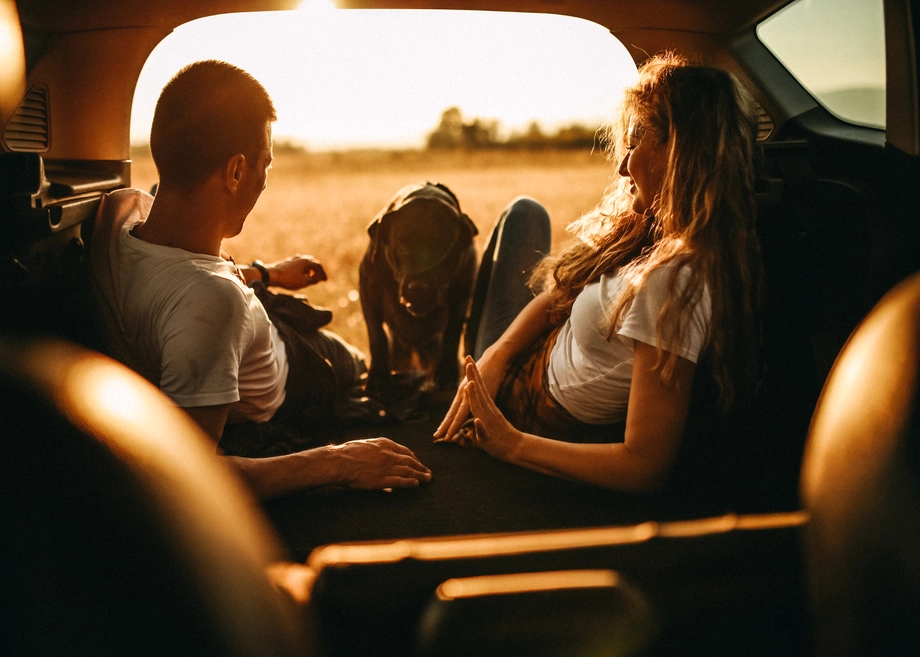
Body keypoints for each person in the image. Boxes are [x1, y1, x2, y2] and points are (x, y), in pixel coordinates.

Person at [91, 60, 431, 498]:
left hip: (265, 319)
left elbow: (178, 271)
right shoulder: (211, 304)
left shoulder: (119, 214)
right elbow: (189, 475)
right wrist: (342, 461)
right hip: (301, 373)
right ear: (235, 171)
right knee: (360, 366)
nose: (265, 181)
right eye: (265, 163)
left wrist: (266, 274)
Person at [435, 53, 762, 494]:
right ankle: (472, 357)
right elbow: (560, 296)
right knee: (525, 213)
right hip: (516, 358)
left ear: (678, 153)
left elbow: (644, 466)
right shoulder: (657, 231)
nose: (624, 166)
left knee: (522, 215)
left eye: (635, 142)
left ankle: (452, 365)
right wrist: (499, 353)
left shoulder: (672, 282)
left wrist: (511, 445)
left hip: (515, 405)